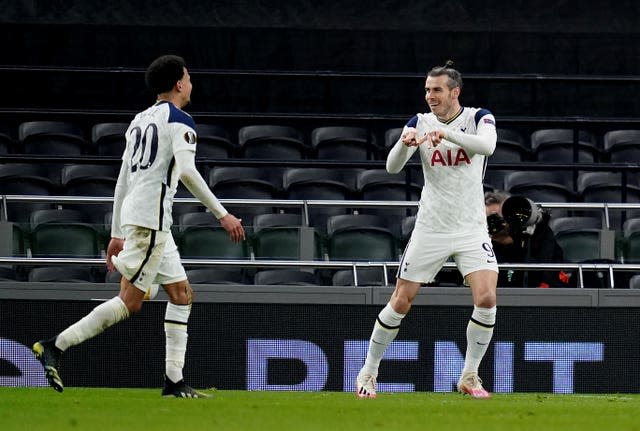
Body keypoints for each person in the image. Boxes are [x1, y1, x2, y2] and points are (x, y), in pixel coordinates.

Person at [32, 54, 245, 398]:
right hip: (151, 221)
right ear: (178, 83)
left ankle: (174, 381)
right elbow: (189, 172)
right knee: (130, 302)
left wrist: (117, 231)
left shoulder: (139, 121)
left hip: (145, 219)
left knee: (181, 294)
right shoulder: (180, 120)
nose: (191, 83)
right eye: (188, 78)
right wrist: (222, 214)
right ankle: (55, 345)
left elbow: (122, 180)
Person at [356, 61, 498, 399]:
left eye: (436, 90)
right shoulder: (419, 122)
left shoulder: (479, 117)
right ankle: (368, 373)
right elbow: (391, 168)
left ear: (454, 92)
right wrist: (405, 143)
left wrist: (446, 133)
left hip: (470, 227)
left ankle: (469, 375)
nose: (429, 96)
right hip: (431, 226)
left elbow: (488, 147)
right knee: (401, 301)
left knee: (487, 297)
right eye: (427, 90)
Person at [485, 190, 571, 288]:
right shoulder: (483, 244)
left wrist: (517, 244)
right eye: (488, 218)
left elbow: (544, 272)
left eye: (498, 217)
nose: (493, 222)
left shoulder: (536, 234)